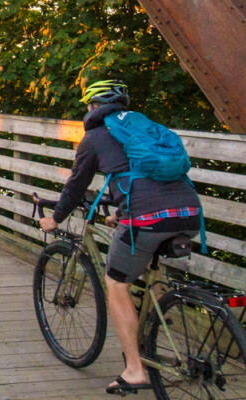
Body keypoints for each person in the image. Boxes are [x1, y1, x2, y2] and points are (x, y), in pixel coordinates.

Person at [38, 80, 203, 393]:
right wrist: (122, 213)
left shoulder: (95, 137)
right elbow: (146, 176)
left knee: (116, 283)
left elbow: (75, 187)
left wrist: (55, 218)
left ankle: (135, 369)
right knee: (150, 264)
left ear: (93, 108)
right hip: (189, 213)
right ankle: (153, 333)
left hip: (146, 216)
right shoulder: (145, 128)